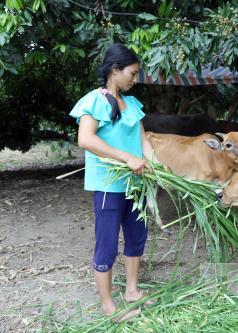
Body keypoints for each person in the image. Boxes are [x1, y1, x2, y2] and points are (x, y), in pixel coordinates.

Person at [69, 43, 155, 320]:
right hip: (108, 185)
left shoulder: (131, 104)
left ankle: (131, 290)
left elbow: (143, 140)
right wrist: (127, 158)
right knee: (107, 243)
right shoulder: (93, 100)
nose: (135, 78)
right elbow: (86, 139)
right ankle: (108, 305)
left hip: (135, 184)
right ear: (115, 70)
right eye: (132, 72)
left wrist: (155, 164)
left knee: (137, 237)